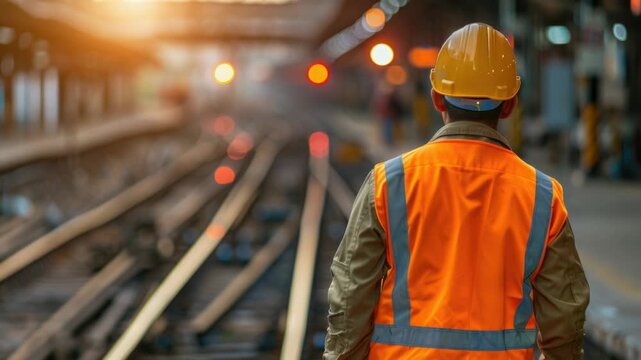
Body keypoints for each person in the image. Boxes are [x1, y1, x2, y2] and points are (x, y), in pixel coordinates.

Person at [323, 23, 589, 359]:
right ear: (509, 105)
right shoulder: (542, 196)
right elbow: (564, 314)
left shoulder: (388, 182)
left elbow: (351, 296)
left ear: (436, 98)